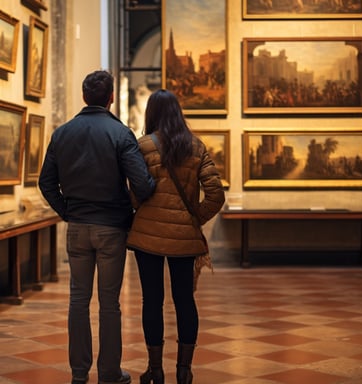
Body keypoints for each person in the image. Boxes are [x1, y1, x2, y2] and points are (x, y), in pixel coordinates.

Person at [39, 70, 155, 384]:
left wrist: (67, 211)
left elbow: (45, 182)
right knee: (109, 303)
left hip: (77, 226)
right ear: (111, 97)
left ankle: (79, 373)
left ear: (84, 96)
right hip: (112, 229)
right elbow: (143, 185)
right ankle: (108, 373)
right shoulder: (120, 134)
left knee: (78, 300)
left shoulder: (62, 133)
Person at [126, 89, 225, 384]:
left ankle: (155, 370)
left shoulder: (142, 146)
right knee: (185, 301)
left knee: (151, 301)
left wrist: (141, 210)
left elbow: (134, 191)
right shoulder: (195, 147)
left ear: (151, 113)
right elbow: (216, 194)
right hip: (184, 238)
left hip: (147, 238)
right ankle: (184, 371)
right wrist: (194, 219)